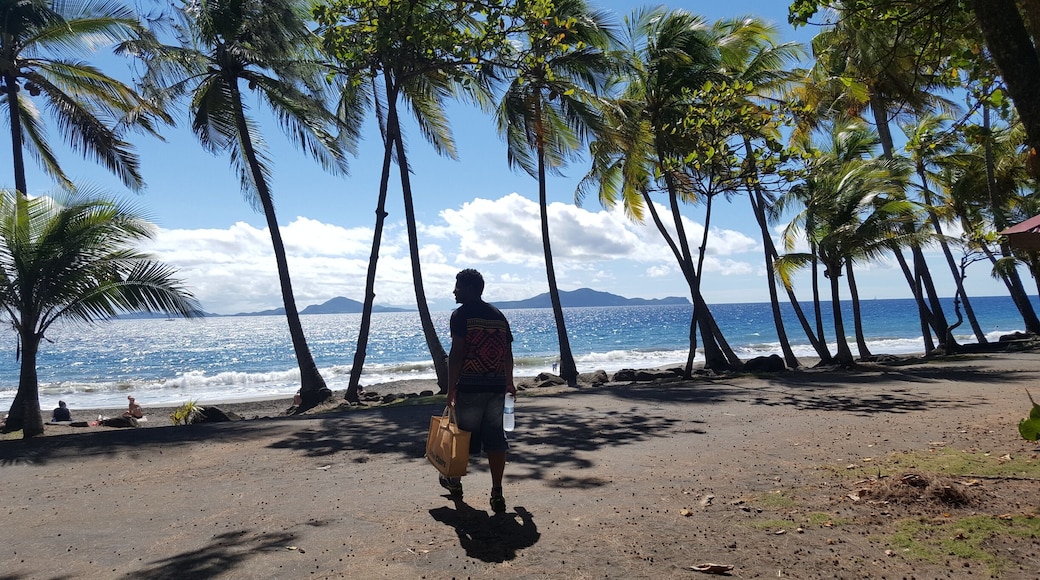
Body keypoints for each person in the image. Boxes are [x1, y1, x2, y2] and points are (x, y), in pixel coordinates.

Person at [443, 268, 515, 514]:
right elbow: (507, 352)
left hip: (471, 387)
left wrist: (451, 387)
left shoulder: (460, 315)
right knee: (495, 439)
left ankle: (455, 483)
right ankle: (497, 491)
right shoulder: (497, 315)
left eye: (458, 286)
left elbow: (457, 353)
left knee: (462, 437)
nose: (454, 291)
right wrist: (509, 381)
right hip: (496, 386)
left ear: (471, 289)